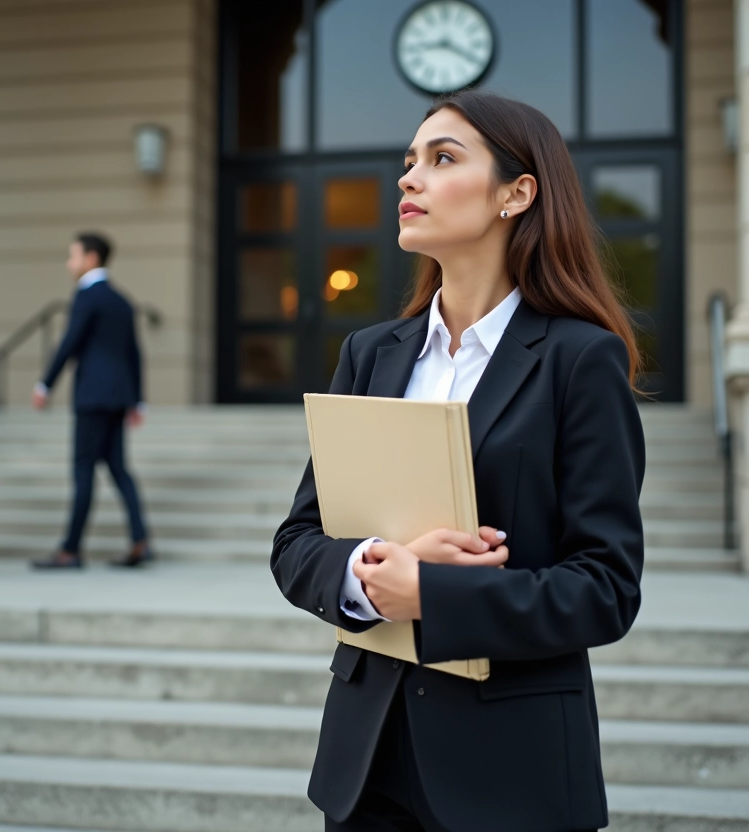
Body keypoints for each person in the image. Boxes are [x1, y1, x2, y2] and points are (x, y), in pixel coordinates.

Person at [271, 90, 645, 832]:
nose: (408, 178)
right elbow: (297, 544)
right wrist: (375, 566)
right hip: (366, 760)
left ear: (517, 193)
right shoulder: (370, 353)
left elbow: (605, 588)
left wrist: (433, 596)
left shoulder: (580, 360)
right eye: (409, 161)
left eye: (442, 159)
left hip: (511, 770)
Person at [31, 232, 151, 570]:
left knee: (83, 469)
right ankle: (140, 540)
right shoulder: (123, 301)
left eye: (73, 256)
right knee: (117, 467)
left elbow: (69, 342)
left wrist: (45, 384)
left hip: (92, 395)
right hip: (118, 396)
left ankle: (70, 550)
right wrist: (138, 400)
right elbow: (134, 354)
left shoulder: (86, 295)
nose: (69, 263)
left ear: (91, 258)